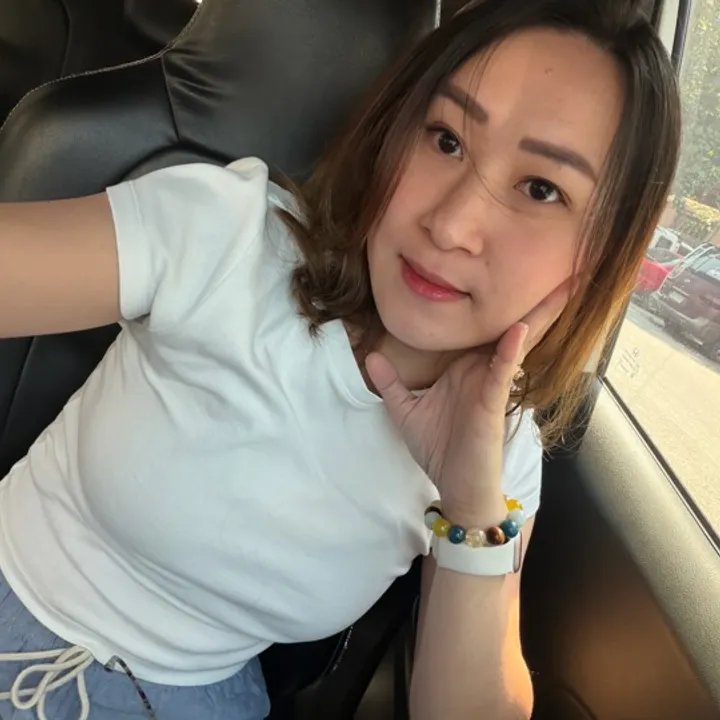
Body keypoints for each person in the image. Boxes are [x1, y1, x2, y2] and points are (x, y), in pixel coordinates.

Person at [0, 0, 681, 718]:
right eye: (446, 139)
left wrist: (469, 502)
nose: (451, 225)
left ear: (601, 254)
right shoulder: (227, 235)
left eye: (541, 188)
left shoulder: (500, 459)